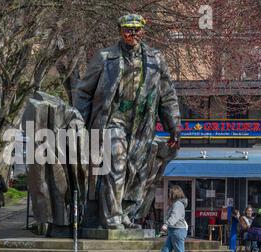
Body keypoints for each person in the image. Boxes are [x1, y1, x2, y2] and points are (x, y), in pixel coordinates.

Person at [74, 13, 181, 230]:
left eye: (136, 29)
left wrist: (174, 126)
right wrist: (80, 123)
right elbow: (84, 92)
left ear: (143, 30)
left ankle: (124, 212)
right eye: (127, 29)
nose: (132, 34)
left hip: (142, 123)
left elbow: (167, 94)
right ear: (120, 31)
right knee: (117, 161)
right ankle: (112, 217)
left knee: (137, 171)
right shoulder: (105, 57)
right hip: (113, 119)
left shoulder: (156, 59)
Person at [151, 185, 191, 252]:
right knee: (166, 250)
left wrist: (166, 225)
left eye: (170, 193)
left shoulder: (178, 204)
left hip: (178, 230)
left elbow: (174, 217)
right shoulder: (176, 203)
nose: (169, 194)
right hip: (174, 230)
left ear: (175, 194)